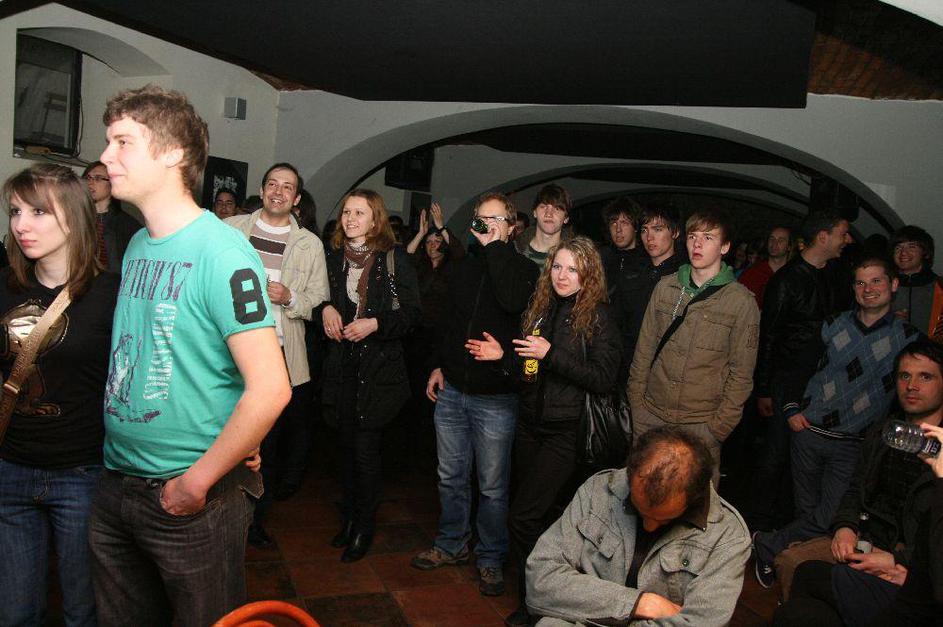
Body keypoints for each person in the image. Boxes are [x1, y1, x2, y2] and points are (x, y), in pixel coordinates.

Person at [88, 84, 291, 626]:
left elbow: (271, 388)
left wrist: (197, 482)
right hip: (116, 481)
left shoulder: (223, 252)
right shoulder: (138, 244)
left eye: (123, 142)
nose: (106, 156)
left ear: (173, 153)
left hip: (189, 496)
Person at [466, 236, 621, 626]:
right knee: (536, 517)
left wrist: (551, 354)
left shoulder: (598, 316)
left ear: (588, 274)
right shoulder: (541, 307)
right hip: (529, 426)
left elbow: (603, 378)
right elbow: (528, 372)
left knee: (523, 518)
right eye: (557, 266)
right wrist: (504, 358)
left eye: (572, 269)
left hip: (565, 432)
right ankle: (541, 596)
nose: (562, 276)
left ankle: (537, 601)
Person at [753, 256, 922, 588]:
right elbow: (798, 368)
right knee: (806, 514)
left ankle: (766, 544)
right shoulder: (831, 324)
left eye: (876, 281)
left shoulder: (908, 339)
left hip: (853, 444)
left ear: (893, 285)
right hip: (809, 433)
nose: (868, 289)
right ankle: (796, 575)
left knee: (830, 517)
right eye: (860, 283)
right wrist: (791, 410)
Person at [0, 164, 120, 626]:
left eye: (37, 212)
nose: (21, 224)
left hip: (81, 474)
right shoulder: (4, 286)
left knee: (82, 612)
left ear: (73, 217)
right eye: (15, 211)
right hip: (10, 467)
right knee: (15, 614)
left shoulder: (110, 294)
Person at [411, 192, 539, 598]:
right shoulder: (464, 267)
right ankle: (451, 544)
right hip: (453, 390)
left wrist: (496, 248)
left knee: (492, 486)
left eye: (495, 219)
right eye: (481, 218)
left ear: (512, 227)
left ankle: (491, 557)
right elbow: (447, 322)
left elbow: (511, 300)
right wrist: (438, 364)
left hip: (495, 398)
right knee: (450, 477)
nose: (486, 225)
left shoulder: (524, 270)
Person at [772, 339, 942, 626]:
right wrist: (845, 527)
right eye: (904, 376)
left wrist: (900, 561)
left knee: (813, 581)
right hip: (866, 540)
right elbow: (855, 488)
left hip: (913, 561)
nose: (912, 386)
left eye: (925, 377)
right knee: (792, 568)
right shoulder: (884, 432)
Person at [525, 427, 751, 627]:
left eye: (664, 520)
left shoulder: (728, 536)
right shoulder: (598, 490)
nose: (649, 527)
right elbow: (540, 580)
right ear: (630, 475)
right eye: (640, 511)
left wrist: (587, 602)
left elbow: (702, 622)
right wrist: (639, 603)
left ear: (694, 499)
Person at [225, 162, 329, 546]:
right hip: (226, 350)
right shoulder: (231, 229)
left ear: (296, 198)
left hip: (278, 355)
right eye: (273, 184)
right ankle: (214, 511)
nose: (279, 192)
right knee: (220, 432)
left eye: (287, 187)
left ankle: (253, 521)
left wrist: (290, 297)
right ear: (262, 190)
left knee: (264, 443)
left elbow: (318, 300)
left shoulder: (309, 244)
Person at [320, 189, 421, 562]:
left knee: (365, 454)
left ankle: (364, 527)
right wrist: (325, 308)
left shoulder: (393, 259)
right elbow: (317, 298)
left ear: (375, 219)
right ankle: (349, 519)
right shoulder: (333, 259)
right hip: (341, 370)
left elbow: (412, 314)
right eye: (346, 212)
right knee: (344, 451)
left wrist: (375, 323)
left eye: (359, 213)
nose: (350, 219)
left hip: (377, 373)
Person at [628, 208, 760, 483]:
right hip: (652, 415)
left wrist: (717, 428)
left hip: (701, 424)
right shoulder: (666, 288)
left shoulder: (741, 302)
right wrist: (638, 407)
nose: (697, 244)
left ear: (725, 247)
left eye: (708, 238)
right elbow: (644, 350)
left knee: (696, 502)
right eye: (692, 236)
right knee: (643, 492)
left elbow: (742, 373)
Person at [748, 211, 852, 532]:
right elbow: (769, 337)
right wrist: (764, 389)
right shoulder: (787, 280)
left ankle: (791, 527)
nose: (847, 240)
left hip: (820, 382)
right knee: (776, 455)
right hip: (785, 380)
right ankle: (757, 529)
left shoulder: (834, 276)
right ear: (823, 237)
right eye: (843, 233)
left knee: (803, 458)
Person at [610, 204, 683, 391]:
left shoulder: (685, 276)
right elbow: (616, 321)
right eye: (644, 230)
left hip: (668, 374)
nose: (649, 237)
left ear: (675, 232)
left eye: (657, 229)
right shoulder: (630, 272)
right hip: (627, 369)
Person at [82, 159, 141, 272]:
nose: (90, 182)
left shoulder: (127, 225)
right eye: (87, 177)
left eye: (98, 178)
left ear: (112, 183)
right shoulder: (76, 217)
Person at [890, 225, 943, 338]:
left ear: (926, 253)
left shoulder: (940, 287)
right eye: (898, 248)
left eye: (911, 247)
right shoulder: (882, 285)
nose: (903, 253)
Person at [515, 184, 571, 266]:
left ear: (566, 218)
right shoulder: (513, 251)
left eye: (557, 208)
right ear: (535, 212)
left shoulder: (575, 257)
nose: (549, 214)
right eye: (543, 207)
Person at [739, 225, 792, 308]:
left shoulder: (793, 276)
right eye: (772, 239)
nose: (774, 243)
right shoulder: (753, 273)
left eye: (781, 240)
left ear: (789, 247)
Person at [598, 196, 643, 290]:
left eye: (624, 223)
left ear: (635, 227)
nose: (618, 229)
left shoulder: (646, 261)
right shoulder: (601, 258)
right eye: (614, 223)